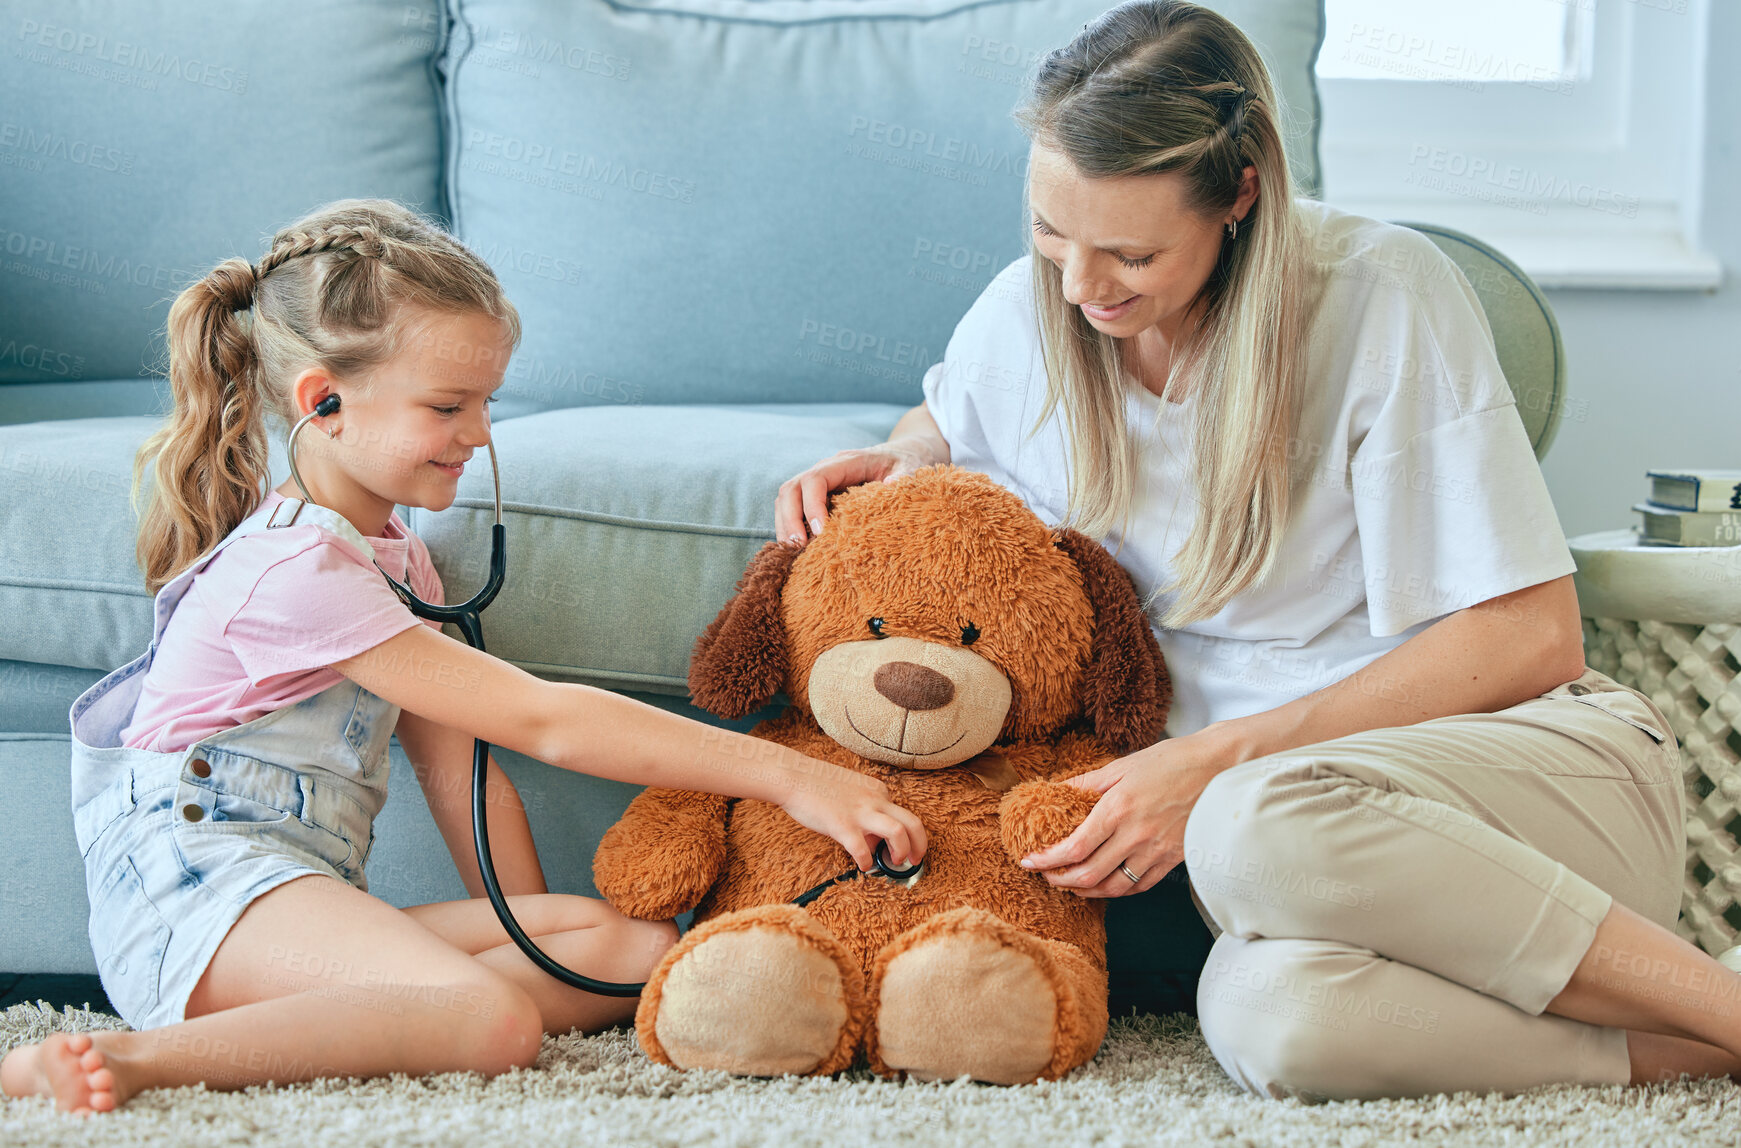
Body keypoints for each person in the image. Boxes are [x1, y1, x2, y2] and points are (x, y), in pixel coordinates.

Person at [777, 0, 1741, 1103]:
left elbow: (1530, 633)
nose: (1083, 283)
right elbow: (950, 423)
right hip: (1299, 882)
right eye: (1051, 231)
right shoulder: (1032, 315)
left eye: (1131, 251)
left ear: (1239, 195)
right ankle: (1702, 1047)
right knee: (1272, 1020)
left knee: (1249, 819)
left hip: (1518, 787)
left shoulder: (1380, 296)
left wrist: (1215, 760)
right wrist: (902, 458)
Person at [1, 199, 926, 1117]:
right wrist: (790, 776)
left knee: (630, 953)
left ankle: (370, 1016)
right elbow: (544, 721)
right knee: (489, 1020)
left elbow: (467, 778)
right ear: (321, 400)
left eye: (485, 403)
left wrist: (525, 933)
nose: (478, 433)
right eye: (447, 406)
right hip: (198, 890)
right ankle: (130, 1060)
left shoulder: (398, 559)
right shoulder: (293, 567)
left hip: (299, 893)